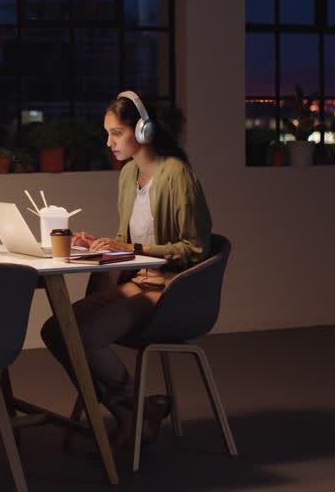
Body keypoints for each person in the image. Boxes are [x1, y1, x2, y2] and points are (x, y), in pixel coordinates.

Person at [40, 90, 212, 449]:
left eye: (116, 133)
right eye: (108, 133)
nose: (109, 142)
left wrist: (130, 249)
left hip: (167, 288)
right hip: (136, 280)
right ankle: (135, 410)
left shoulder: (177, 175)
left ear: (144, 130)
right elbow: (127, 239)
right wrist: (98, 244)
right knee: (57, 330)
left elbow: (194, 249)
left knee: (83, 335)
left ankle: (130, 410)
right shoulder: (129, 174)